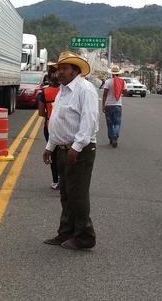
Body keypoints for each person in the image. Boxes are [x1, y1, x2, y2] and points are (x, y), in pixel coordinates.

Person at [42, 51, 99, 251]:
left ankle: (85, 237)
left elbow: (89, 122)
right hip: (62, 149)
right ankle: (66, 233)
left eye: (65, 69)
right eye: (59, 69)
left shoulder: (85, 90)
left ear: (75, 70)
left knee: (78, 195)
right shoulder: (63, 90)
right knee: (66, 194)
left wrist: (75, 148)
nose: (60, 73)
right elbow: (57, 121)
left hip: (79, 151)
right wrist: (50, 147)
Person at [38, 63, 60, 189]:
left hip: (50, 127)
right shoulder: (65, 90)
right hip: (64, 127)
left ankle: (55, 181)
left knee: (53, 153)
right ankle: (64, 178)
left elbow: (41, 113)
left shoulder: (43, 93)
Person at [101, 65, 126, 148]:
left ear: (112, 73)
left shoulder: (108, 82)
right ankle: (115, 136)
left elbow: (104, 94)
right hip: (118, 105)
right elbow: (125, 92)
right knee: (117, 123)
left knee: (110, 123)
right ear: (119, 73)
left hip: (108, 105)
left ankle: (111, 138)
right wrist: (120, 90)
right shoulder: (122, 82)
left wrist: (103, 105)